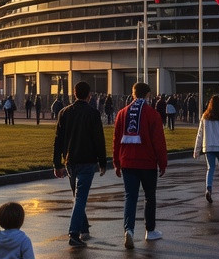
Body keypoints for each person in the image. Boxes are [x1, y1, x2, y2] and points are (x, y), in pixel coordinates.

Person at [52, 82, 109, 247]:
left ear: (74, 94)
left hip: (70, 161)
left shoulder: (64, 112)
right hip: (87, 161)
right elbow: (99, 139)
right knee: (80, 198)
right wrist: (102, 162)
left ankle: (83, 229)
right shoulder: (93, 113)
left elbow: (58, 140)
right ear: (89, 95)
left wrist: (57, 164)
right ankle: (74, 233)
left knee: (78, 197)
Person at [112, 82, 167, 248]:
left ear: (133, 93)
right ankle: (150, 231)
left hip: (127, 161)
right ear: (148, 95)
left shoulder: (122, 114)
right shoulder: (152, 114)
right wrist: (162, 162)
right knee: (149, 197)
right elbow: (159, 141)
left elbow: (116, 141)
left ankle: (129, 229)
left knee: (131, 197)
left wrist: (116, 162)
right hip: (147, 163)